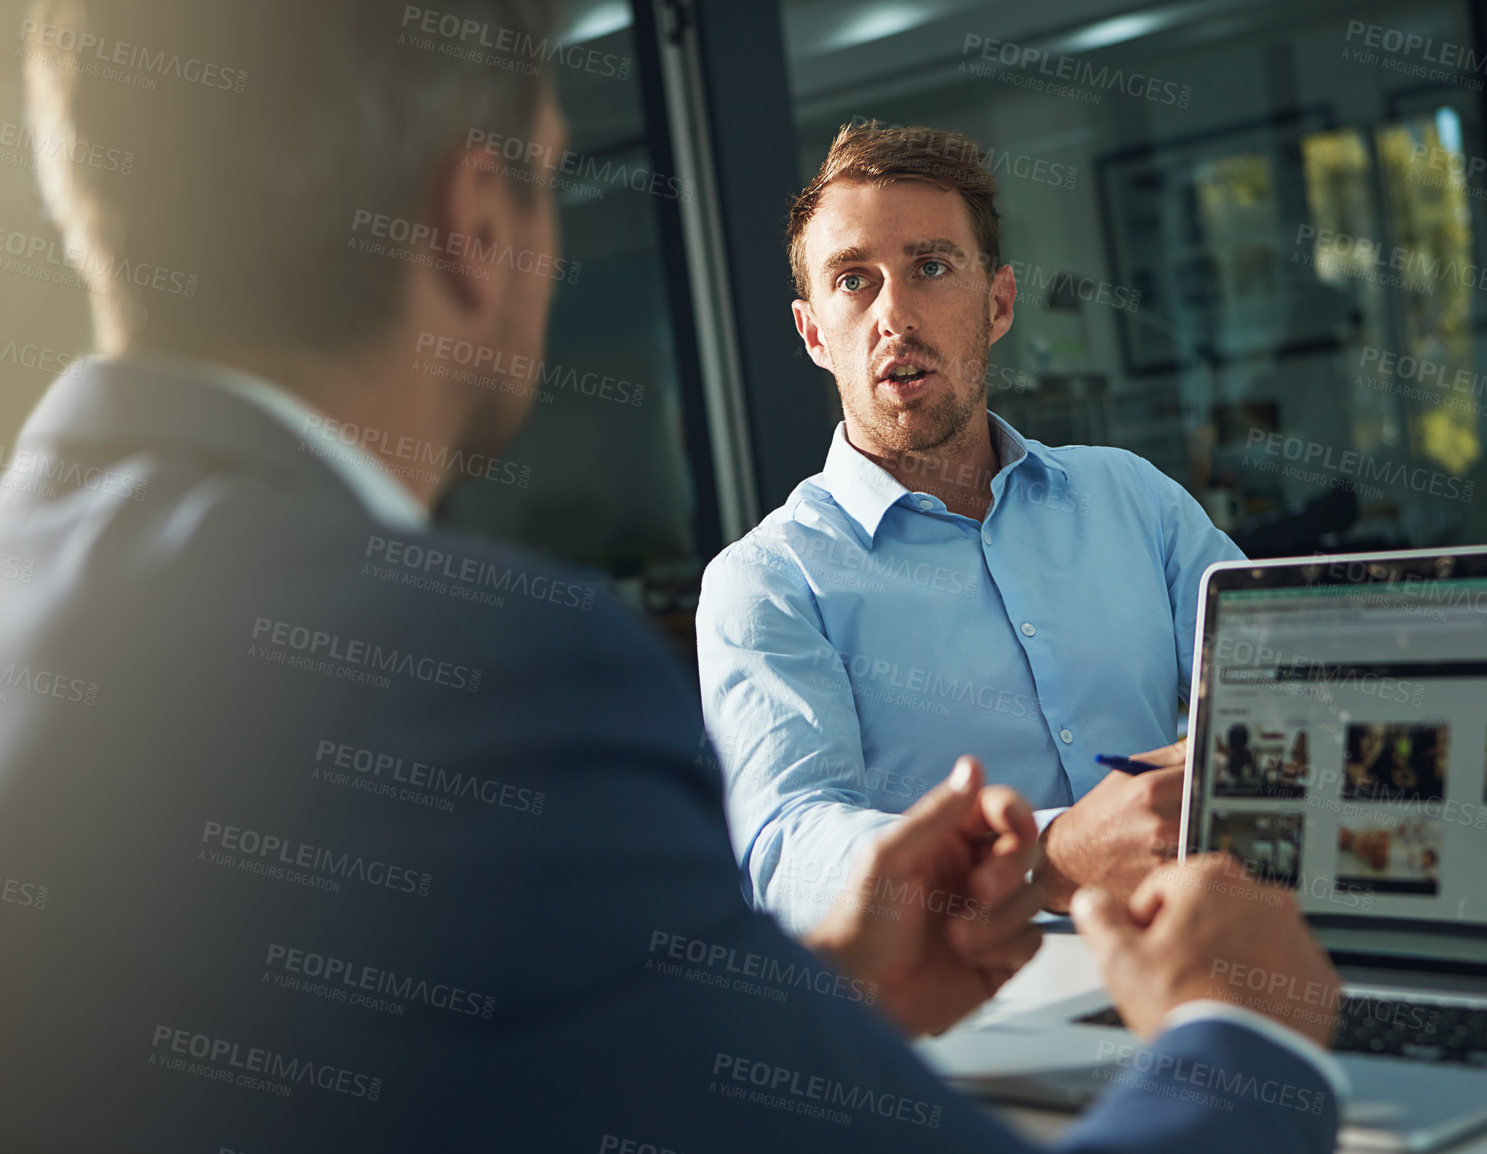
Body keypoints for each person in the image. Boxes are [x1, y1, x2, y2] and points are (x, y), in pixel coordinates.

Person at [0, 1, 1346, 1151]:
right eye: (545, 177)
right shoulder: (484, 673)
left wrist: (824, 991)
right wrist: (1242, 1038)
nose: (893, 311)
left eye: (929, 267)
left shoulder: (48, 583)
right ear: (476, 222)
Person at [696, 121, 1244, 931]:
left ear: (997, 302)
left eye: (930, 267)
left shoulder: (1133, 498)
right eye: (853, 280)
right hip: (975, 1017)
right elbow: (788, 854)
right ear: (813, 333)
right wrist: (1045, 860)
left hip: (1191, 953)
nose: (894, 315)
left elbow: (1277, 708)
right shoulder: (769, 583)